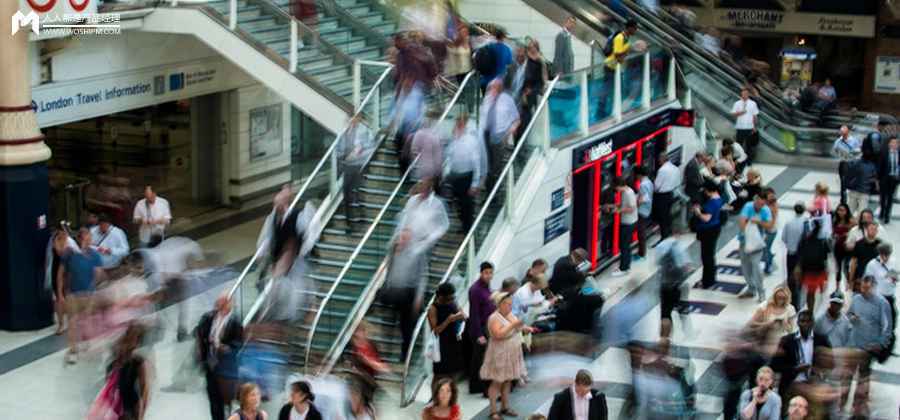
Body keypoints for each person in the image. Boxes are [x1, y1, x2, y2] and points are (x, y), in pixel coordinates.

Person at [382, 180, 449, 358]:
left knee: (407, 325)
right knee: (390, 318)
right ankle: (388, 347)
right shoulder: (394, 251)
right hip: (395, 289)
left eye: (405, 237)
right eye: (401, 236)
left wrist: (419, 297)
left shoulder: (416, 253)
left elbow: (422, 276)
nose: (402, 239)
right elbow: (389, 269)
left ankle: (406, 353)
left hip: (409, 292)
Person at [255, 185, 320, 320]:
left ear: (285, 203)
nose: (276, 207)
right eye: (275, 204)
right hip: (281, 257)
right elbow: (267, 237)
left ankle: (310, 309)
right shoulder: (273, 218)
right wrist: (261, 254)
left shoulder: (298, 216)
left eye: (278, 204)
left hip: (296, 258)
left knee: (302, 282)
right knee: (279, 284)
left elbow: (308, 236)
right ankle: (277, 313)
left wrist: (299, 252)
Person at [480, 292, 532, 420]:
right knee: (497, 381)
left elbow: (518, 326)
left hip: (512, 351)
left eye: (510, 304)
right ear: (500, 304)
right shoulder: (494, 318)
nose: (510, 306)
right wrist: (514, 325)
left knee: (508, 379)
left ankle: (505, 406)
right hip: (500, 352)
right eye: (507, 304)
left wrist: (525, 327)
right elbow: (498, 334)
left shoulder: (509, 314)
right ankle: (493, 411)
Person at [847, 275, 892, 417]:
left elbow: (887, 327)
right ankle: (845, 404)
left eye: (867, 288)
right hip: (853, 345)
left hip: (868, 348)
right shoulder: (856, 299)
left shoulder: (882, 303)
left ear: (873, 287)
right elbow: (848, 314)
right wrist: (852, 317)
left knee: (863, 378)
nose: (864, 291)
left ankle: (859, 407)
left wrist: (880, 344)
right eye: (862, 287)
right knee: (848, 376)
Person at [58, 227, 105, 364]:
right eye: (86, 238)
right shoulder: (69, 254)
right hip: (73, 295)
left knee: (88, 322)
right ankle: (73, 351)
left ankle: (87, 343)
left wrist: (96, 286)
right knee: (72, 323)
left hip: (89, 295)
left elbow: (99, 273)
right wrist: (60, 293)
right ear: (79, 239)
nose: (89, 240)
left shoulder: (95, 255)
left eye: (90, 238)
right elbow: (60, 273)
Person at [197, 295, 244, 420]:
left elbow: (239, 343)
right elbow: (200, 335)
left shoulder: (235, 321)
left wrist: (227, 348)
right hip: (211, 363)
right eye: (219, 302)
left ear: (230, 304)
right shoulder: (208, 317)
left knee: (226, 399)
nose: (220, 305)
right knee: (213, 398)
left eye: (224, 302)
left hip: (226, 366)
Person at [771, 310, 832, 403]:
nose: (805, 324)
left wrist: (819, 371)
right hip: (792, 385)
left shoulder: (822, 340)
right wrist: (795, 369)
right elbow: (775, 365)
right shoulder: (787, 341)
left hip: (813, 386)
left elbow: (831, 362)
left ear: (813, 323)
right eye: (802, 321)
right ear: (798, 323)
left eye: (808, 321)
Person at [444, 112, 486, 234]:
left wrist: (475, 183)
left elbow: (476, 162)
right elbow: (449, 156)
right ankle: (464, 225)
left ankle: (469, 229)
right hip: (455, 176)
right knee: (459, 203)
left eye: (459, 124)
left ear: (464, 125)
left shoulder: (471, 140)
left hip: (467, 176)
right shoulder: (454, 139)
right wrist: (447, 172)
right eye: (457, 124)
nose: (457, 126)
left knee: (467, 205)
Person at [102, 322, 151, 420]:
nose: (128, 342)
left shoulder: (138, 362)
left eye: (133, 339)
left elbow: (144, 391)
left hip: (130, 408)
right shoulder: (112, 364)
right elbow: (108, 389)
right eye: (127, 337)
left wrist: (142, 415)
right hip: (116, 408)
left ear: (137, 344)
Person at [479, 78, 520, 188]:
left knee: (496, 165)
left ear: (500, 89)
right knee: (487, 161)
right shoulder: (487, 99)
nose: (492, 90)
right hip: (486, 134)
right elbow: (482, 116)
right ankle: (488, 182)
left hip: (500, 135)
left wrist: (510, 131)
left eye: (494, 88)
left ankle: (494, 187)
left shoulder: (507, 100)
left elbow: (516, 119)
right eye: (490, 88)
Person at [336, 115, 375, 228]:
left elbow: (370, 146)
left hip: (358, 166)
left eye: (352, 120)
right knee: (346, 192)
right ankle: (349, 221)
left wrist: (360, 151)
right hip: (347, 166)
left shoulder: (363, 131)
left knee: (358, 191)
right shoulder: (343, 134)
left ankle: (361, 215)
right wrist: (344, 157)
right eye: (348, 120)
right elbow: (338, 150)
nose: (350, 122)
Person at [815, 294, 853, 407]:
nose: (835, 306)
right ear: (830, 303)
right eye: (834, 303)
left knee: (834, 392)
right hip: (823, 361)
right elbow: (815, 340)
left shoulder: (846, 322)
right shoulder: (819, 320)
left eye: (838, 304)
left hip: (838, 361)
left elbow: (848, 342)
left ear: (842, 305)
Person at [738, 192, 774, 302]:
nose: (760, 207)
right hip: (745, 241)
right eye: (758, 204)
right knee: (745, 266)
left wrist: (758, 221)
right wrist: (747, 233)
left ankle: (761, 291)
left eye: (762, 205)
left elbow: (769, 225)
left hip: (757, 243)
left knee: (756, 266)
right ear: (755, 200)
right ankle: (751, 288)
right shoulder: (748, 206)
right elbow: (741, 222)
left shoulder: (766, 210)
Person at [466, 262, 496, 395]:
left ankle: (481, 386)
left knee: (484, 358)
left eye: (490, 273)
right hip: (480, 329)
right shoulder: (475, 289)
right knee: (478, 360)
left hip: (487, 327)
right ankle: (477, 387)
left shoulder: (486, 287)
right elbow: (474, 314)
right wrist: (479, 334)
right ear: (481, 273)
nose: (489, 275)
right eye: (486, 273)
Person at [862, 243, 897, 354]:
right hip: (877, 298)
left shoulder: (894, 262)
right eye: (883, 255)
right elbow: (866, 280)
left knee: (892, 322)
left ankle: (887, 348)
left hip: (890, 296)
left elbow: (897, 276)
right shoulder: (872, 264)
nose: (886, 258)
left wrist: (894, 279)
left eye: (887, 255)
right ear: (880, 254)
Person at [655, 234, 693, 336]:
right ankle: (688, 333)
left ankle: (666, 336)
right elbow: (688, 267)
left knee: (665, 313)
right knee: (682, 310)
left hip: (665, 285)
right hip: (678, 286)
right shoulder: (679, 247)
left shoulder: (661, 246)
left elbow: (657, 264)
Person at [427, 283, 466, 382]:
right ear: (441, 296)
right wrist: (448, 320)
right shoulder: (433, 309)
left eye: (452, 298)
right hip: (441, 346)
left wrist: (461, 316)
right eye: (449, 298)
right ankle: (436, 395)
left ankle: (449, 394)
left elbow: (464, 316)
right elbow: (435, 331)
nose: (451, 300)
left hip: (453, 342)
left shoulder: (453, 303)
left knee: (453, 373)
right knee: (439, 374)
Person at [46, 225, 77, 335]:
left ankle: (71, 322)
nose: (62, 233)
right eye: (60, 231)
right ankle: (61, 324)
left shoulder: (70, 242)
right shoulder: (54, 240)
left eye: (64, 231)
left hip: (68, 270)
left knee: (69, 297)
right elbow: (57, 254)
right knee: (59, 297)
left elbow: (75, 254)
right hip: (57, 269)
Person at [693, 182, 724, 289]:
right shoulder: (719, 198)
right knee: (710, 255)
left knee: (706, 257)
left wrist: (697, 212)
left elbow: (706, 218)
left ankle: (707, 281)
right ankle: (710, 278)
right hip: (715, 228)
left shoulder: (712, 203)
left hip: (708, 231)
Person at [797, 218, 831, 311]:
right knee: (815, 292)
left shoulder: (806, 239)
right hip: (814, 270)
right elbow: (827, 255)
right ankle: (811, 311)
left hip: (813, 270)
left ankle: (812, 310)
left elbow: (800, 254)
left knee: (813, 293)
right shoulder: (822, 240)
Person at [607, 176, 637, 276]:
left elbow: (631, 208)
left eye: (616, 188)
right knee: (624, 246)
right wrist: (613, 206)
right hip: (627, 222)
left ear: (619, 186)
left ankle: (624, 269)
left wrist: (618, 211)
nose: (616, 190)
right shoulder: (625, 192)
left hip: (629, 223)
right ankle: (624, 266)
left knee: (624, 246)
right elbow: (623, 204)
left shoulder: (629, 193)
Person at [782, 202, 809, 309]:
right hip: (803, 255)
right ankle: (800, 300)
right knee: (801, 278)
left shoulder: (789, 223)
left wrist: (790, 244)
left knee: (791, 277)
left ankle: (793, 301)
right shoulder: (807, 222)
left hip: (791, 254)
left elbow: (784, 238)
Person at [407, 108, 445, 184]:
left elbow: (414, 150)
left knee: (425, 186)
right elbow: (439, 152)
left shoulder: (420, 133)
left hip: (424, 166)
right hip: (433, 167)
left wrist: (419, 159)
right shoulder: (437, 133)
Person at [653, 153, 681, 242]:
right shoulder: (675, 168)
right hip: (671, 194)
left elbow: (657, 186)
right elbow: (678, 181)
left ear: (662, 159)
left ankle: (664, 236)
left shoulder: (662, 170)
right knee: (668, 215)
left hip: (662, 196)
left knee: (662, 217)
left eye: (659, 159)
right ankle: (669, 232)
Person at [848, 222, 882, 291]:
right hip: (860, 278)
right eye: (871, 229)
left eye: (875, 229)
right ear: (866, 229)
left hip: (875, 280)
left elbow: (886, 261)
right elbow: (853, 262)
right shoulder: (859, 243)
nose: (873, 231)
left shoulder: (881, 245)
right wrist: (851, 279)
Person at [832, 126, 861, 205]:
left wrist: (853, 153)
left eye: (844, 133)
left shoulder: (854, 141)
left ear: (848, 132)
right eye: (842, 133)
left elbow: (859, 150)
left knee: (853, 181)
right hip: (843, 162)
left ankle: (855, 199)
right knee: (843, 182)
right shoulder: (838, 141)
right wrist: (840, 154)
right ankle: (843, 200)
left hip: (852, 162)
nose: (843, 135)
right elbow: (834, 150)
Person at [845, 153, 879, 217]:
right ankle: (858, 225)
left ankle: (848, 223)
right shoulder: (872, 166)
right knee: (861, 212)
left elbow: (849, 175)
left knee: (850, 210)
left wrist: (848, 185)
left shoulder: (856, 163)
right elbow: (874, 178)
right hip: (865, 191)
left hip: (855, 189)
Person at [731, 88, 760, 165]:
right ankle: (738, 161)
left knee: (749, 146)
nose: (744, 95)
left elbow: (755, 116)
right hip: (740, 128)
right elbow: (733, 114)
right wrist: (741, 112)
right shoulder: (737, 103)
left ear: (748, 94)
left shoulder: (753, 104)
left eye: (746, 93)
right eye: (743, 93)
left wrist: (754, 127)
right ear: (741, 94)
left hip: (749, 128)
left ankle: (748, 161)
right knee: (738, 145)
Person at [831, 203, 855, 292]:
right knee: (838, 267)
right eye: (839, 210)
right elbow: (833, 232)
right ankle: (837, 288)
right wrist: (834, 236)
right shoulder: (835, 220)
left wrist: (847, 235)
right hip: (838, 247)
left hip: (847, 248)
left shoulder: (851, 221)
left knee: (847, 267)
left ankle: (848, 285)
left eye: (843, 210)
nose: (840, 212)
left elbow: (855, 232)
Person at [878, 136, 899, 224]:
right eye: (892, 143)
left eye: (896, 143)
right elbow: (880, 167)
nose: (894, 144)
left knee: (890, 197)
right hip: (885, 178)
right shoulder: (884, 153)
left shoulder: (899, 153)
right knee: (883, 197)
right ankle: (882, 212)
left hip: (894, 179)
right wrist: (878, 179)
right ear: (889, 144)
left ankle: (887, 215)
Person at [636, 166, 654, 259]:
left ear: (639, 175)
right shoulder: (649, 182)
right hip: (647, 209)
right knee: (641, 231)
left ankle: (641, 253)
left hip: (642, 211)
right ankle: (641, 252)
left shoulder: (643, 184)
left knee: (641, 232)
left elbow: (644, 198)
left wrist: (636, 204)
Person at [762, 188, 779, 275]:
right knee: (765, 248)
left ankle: (768, 265)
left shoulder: (774, 206)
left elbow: (773, 218)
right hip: (766, 228)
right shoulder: (766, 204)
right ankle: (769, 260)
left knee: (766, 248)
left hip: (771, 230)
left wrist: (769, 227)